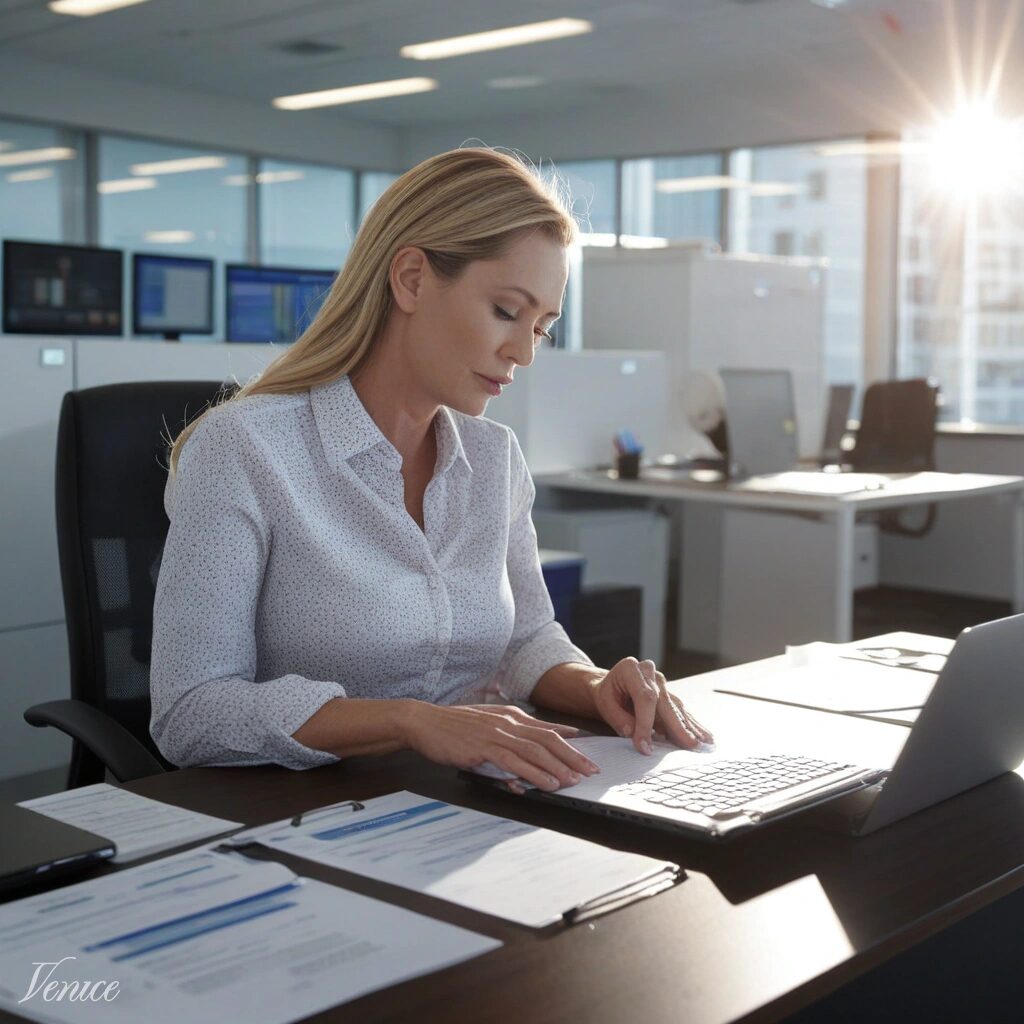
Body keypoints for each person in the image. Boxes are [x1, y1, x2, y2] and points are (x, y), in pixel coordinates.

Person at [150, 146, 712, 793]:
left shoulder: (494, 457)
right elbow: (190, 711)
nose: (524, 352)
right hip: (301, 809)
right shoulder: (245, 449)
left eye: (542, 327)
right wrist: (413, 722)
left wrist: (594, 685)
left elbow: (526, 640)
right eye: (507, 312)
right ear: (412, 279)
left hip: (463, 801)